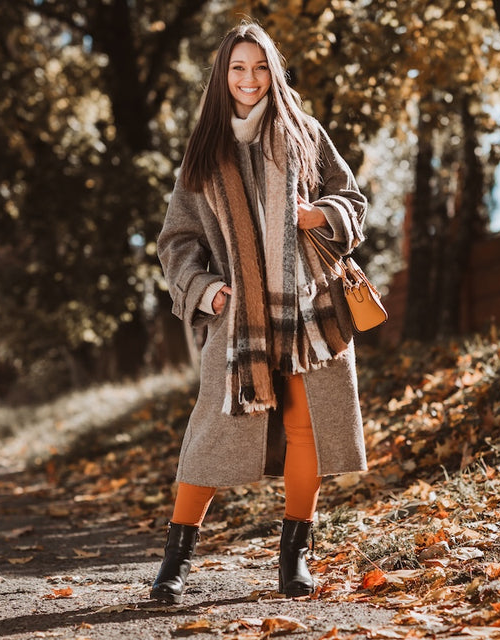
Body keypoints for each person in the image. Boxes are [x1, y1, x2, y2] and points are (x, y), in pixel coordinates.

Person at [152, 21, 369, 603]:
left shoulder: (305, 134)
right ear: (223, 77)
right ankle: (175, 563)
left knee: (307, 432)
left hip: (310, 311)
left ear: (275, 71)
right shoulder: (203, 154)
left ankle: (294, 558)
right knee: (210, 436)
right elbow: (176, 242)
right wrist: (205, 290)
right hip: (239, 320)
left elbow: (351, 200)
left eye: (260, 67)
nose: (250, 79)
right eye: (238, 68)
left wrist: (318, 216)